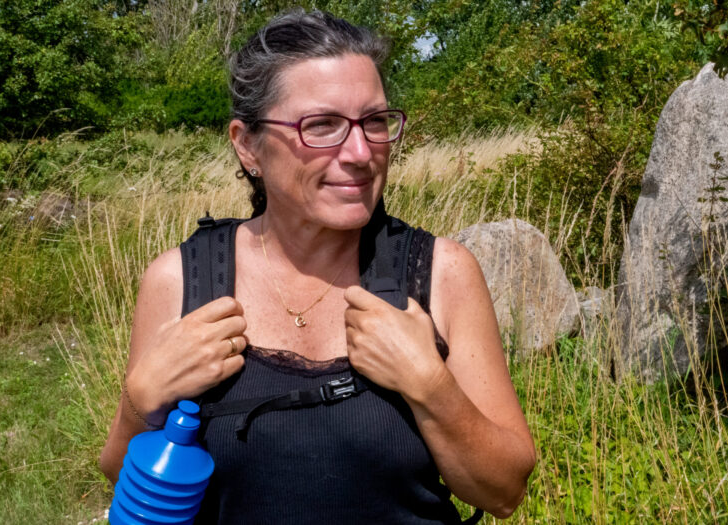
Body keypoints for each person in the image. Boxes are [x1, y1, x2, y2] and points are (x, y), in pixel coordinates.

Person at [98, 9, 536, 524]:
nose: (360, 152)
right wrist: (140, 399)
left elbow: (503, 493)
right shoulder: (181, 281)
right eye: (322, 125)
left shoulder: (441, 274)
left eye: (375, 122)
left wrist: (431, 386)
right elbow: (123, 473)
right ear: (246, 144)